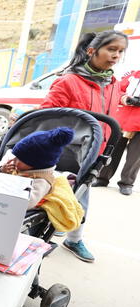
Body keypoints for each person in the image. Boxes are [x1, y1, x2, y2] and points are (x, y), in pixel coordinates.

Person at [40, 30, 128, 263]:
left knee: (81, 194)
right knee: (52, 193)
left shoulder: (113, 83)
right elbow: (47, 114)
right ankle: (42, 235)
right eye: (111, 49)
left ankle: (73, 238)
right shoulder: (68, 81)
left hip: (96, 151)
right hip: (65, 152)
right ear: (92, 51)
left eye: (120, 51)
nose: (116, 55)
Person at [98, 70, 140, 195]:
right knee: (113, 150)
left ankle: (126, 183)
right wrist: (125, 98)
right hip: (123, 118)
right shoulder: (133, 75)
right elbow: (117, 89)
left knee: (135, 156)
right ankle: (102, 177)